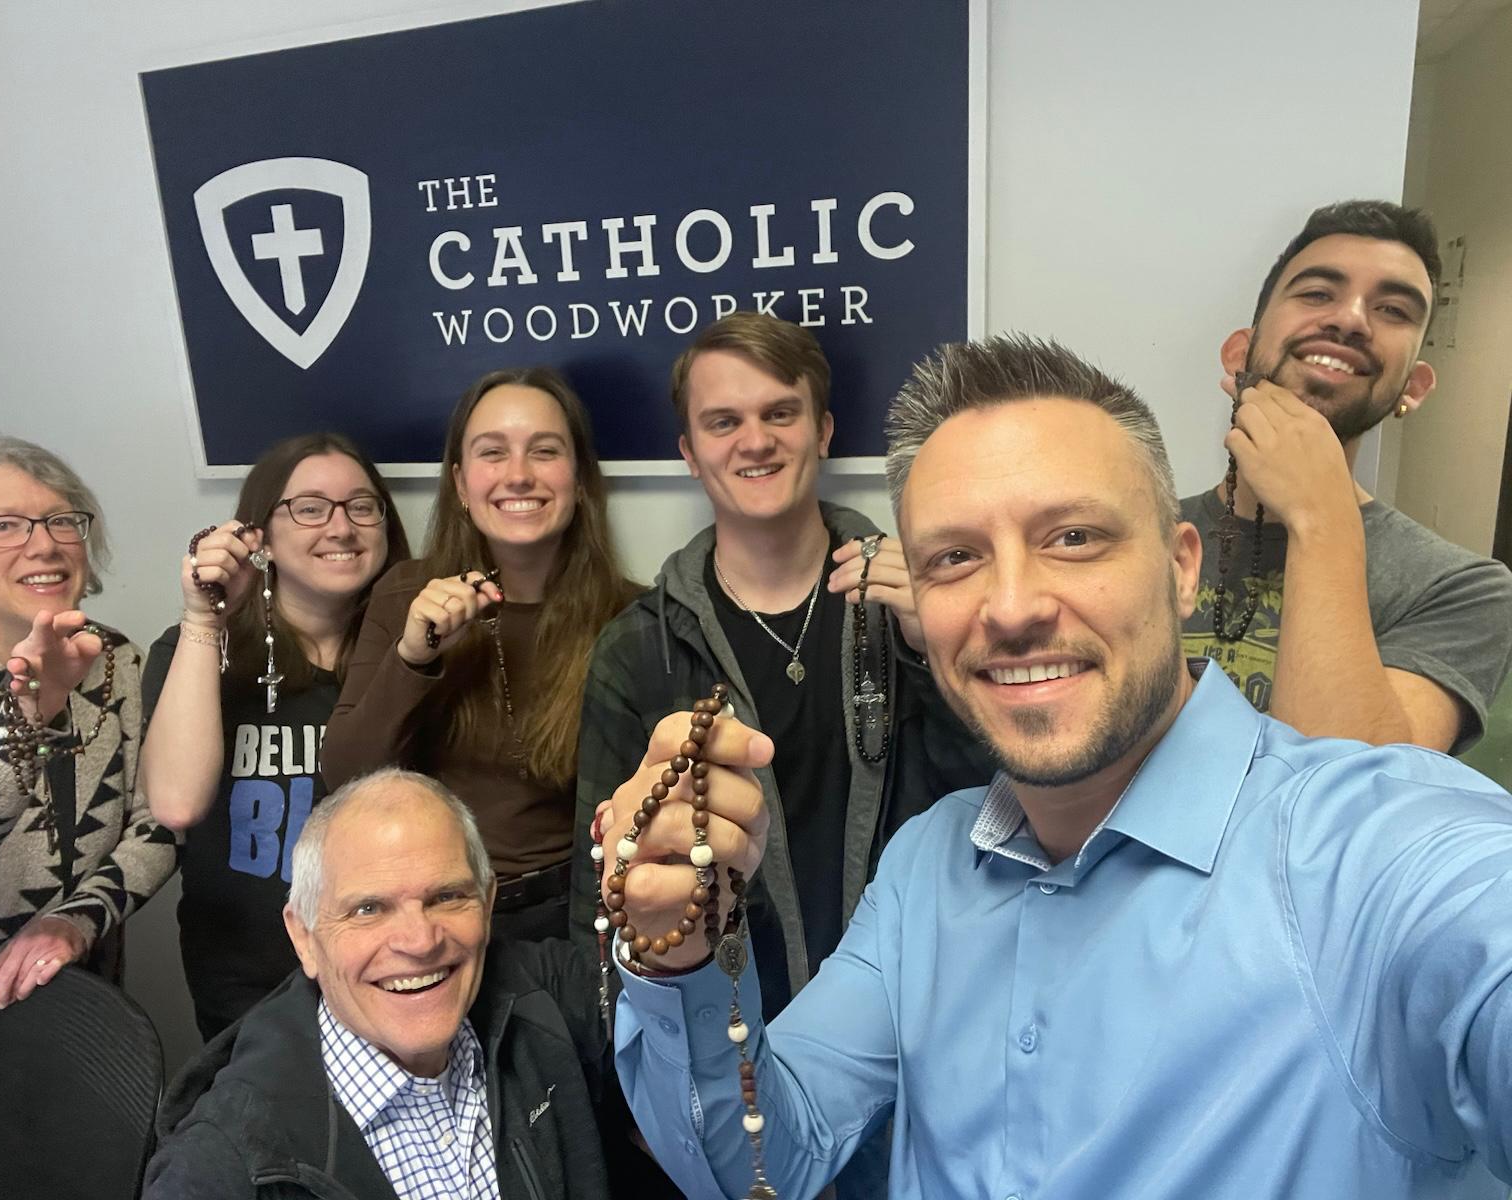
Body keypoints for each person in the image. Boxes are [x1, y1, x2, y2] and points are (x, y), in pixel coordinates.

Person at [601, 336, 1512, 1199]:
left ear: (1181, 568)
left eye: (1073, 538)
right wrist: (678, 955)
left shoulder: (1370, 857)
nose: (1011, 606)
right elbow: (762, 1161)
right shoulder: (926, 869)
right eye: (955, 558)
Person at [568, 312, 993, 1017]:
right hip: (737, 1038)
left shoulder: (920, 602)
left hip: (929, 1024)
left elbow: (1003, 810)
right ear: (689, 452)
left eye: (780, 413)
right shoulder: (638, 647)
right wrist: (631, 1076)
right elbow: (603, 890)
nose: (756, 440)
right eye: (723, 421)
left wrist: (935, 653)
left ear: (822, 431)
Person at [143, 767, 620, 1200]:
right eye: (368, 909)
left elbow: (667, 998)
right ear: (304, 937)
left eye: (447, 896)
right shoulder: (219, 1170)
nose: (420, 941)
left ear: (487, 901)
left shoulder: (542, 994)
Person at [0, 437, 176, 1197]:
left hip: (81, 1033)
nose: (45, 544)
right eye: (4, 525)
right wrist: (29, 713)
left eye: (63, 521)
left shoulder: (116, 662)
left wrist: (78, 919)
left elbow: (158, 823)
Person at [1182, 199, 1512, 752]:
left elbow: (1355, 796)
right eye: (1317, 293)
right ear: (1240, 353)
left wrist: (1318, 517)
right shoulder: (1141, 533)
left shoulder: (1460, 590)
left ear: (1414, 387)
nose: (1351, 318)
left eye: (1393, 310)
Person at [322, 368, 637, 945]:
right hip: (436, 919)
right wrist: (413, 656)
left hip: (582, 920)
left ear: (581, 480)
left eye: (544, 451)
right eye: (493, 453)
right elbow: (346, 783)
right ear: (461, 485)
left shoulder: (633, 617)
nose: (518, 475)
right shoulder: (405, 595)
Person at [141, 432, 411, 1039]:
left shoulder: (410, 655)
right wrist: (204, 618)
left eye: (361, 506)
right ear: (257, 534)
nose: (340, 528)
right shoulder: (195, 645)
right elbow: (176, 803)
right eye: (310, 508)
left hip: (394, 967)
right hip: (247, 983)